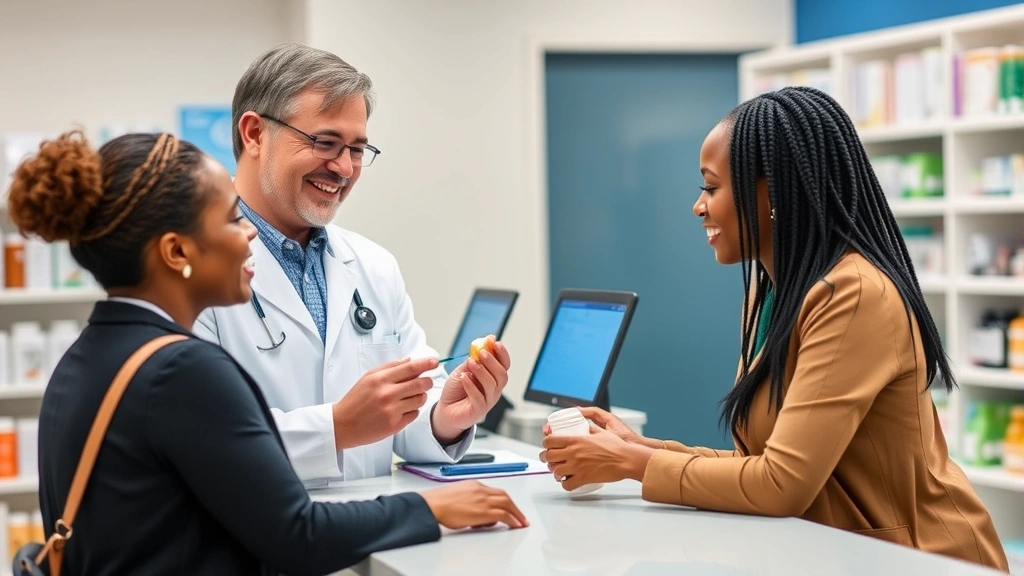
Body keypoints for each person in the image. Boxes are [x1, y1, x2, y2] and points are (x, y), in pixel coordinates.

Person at [8, 130, 527, 575]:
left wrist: (437, 419)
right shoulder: (181, 369)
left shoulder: (84, 359)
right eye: (231, 219)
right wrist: (430, 509)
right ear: (176, 251)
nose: (250, 233)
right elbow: (298, 534)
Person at [539, 86, 1008, 572]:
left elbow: (783, 483)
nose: (698, 207)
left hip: (926, 560)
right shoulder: (769, 296)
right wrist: (638, 447)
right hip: (838, 553)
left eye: (711, 186)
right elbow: (760, 464)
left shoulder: (854, 295)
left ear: (773, 193)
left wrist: (631, 465)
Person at [193, 43, 509, 486]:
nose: (343, 167)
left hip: (371, 541)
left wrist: (446, 416)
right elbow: (203, 444)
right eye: (325, 142)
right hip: (253, 544)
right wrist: (337, 426)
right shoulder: (189, 268)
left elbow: (408, 414)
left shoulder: (374, 266)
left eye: (357, 149)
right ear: (254, 134)